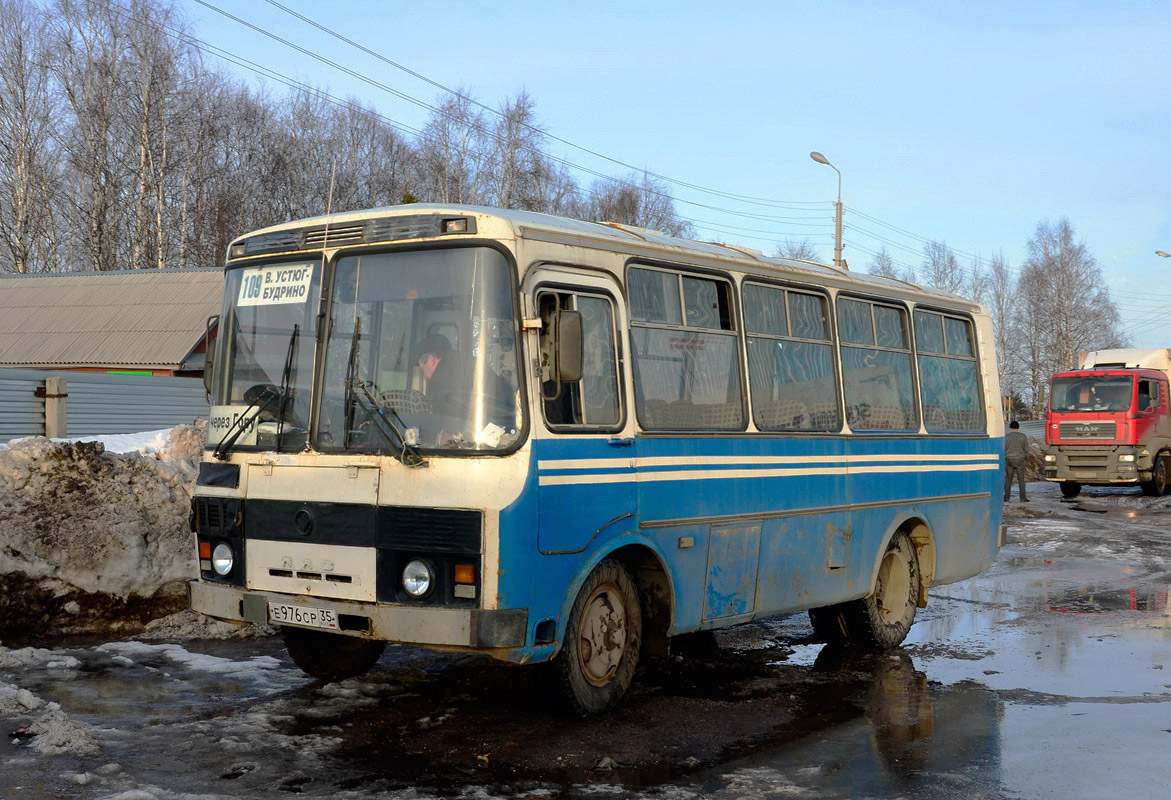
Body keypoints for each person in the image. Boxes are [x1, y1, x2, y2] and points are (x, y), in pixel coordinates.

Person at [1004, 420, 1029, 502]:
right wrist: (1026, 458)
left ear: (1010, 427)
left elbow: (1003, 449)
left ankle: (1006, 498)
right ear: (1018, 428)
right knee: (1021, 479)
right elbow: (1027, 449)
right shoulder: (1023, 436)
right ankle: (1023, 498)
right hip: (1020, 460)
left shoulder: (1006, 437)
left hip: (1009, 460)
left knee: (1008, 479)